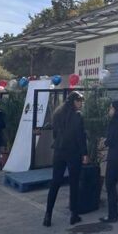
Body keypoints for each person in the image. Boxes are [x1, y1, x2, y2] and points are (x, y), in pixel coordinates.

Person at [44, 91, 88, 227]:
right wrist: (84, 154)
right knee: (74, 183)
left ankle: (48, 215)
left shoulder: (58, 114)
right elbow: (80, 136)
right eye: (78, 101)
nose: (81, 103)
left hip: (59, 151)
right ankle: (74, 214)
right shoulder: (77, 116)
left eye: (81, 101)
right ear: (73, 102)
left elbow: (55, 134)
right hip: (73, 152)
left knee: (55, 182)